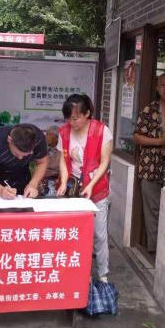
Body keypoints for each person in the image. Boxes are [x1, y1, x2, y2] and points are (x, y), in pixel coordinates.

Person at [56, 94, 113, 282]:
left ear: (87, 113)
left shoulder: (102, 130)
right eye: (68, 118)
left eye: (75, 118)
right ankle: (82, 273)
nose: (71, 123)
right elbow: (63, 160)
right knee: (76, 232)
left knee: (99, 234)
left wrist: (91, 184)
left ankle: (103, 274)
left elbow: (104, 162)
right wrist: (64, 181)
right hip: (73, 190)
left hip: (96, 189)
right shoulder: (64, 132)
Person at [133, 72, 165, 253]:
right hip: (150, 166)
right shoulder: (149, 110)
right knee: (153, 209)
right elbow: (137, 137)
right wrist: (159, 142)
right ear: (157, 88)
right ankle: (154, 249)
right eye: (162, 85)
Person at [0, 124, 48, 199]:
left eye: (26, 155)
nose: (20, 158)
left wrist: (33, 184)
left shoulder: (38, 138)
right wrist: (0, 190)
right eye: (16, 154)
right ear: (9, 139)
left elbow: (42, 162)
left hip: (22, 172)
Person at [39, 125, 61, 197]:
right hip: (40, 179)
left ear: (56, 138)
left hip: (54, 181)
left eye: (49, 134)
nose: (46, 136)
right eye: (46, 134)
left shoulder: (61, 152)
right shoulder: (42, 149)